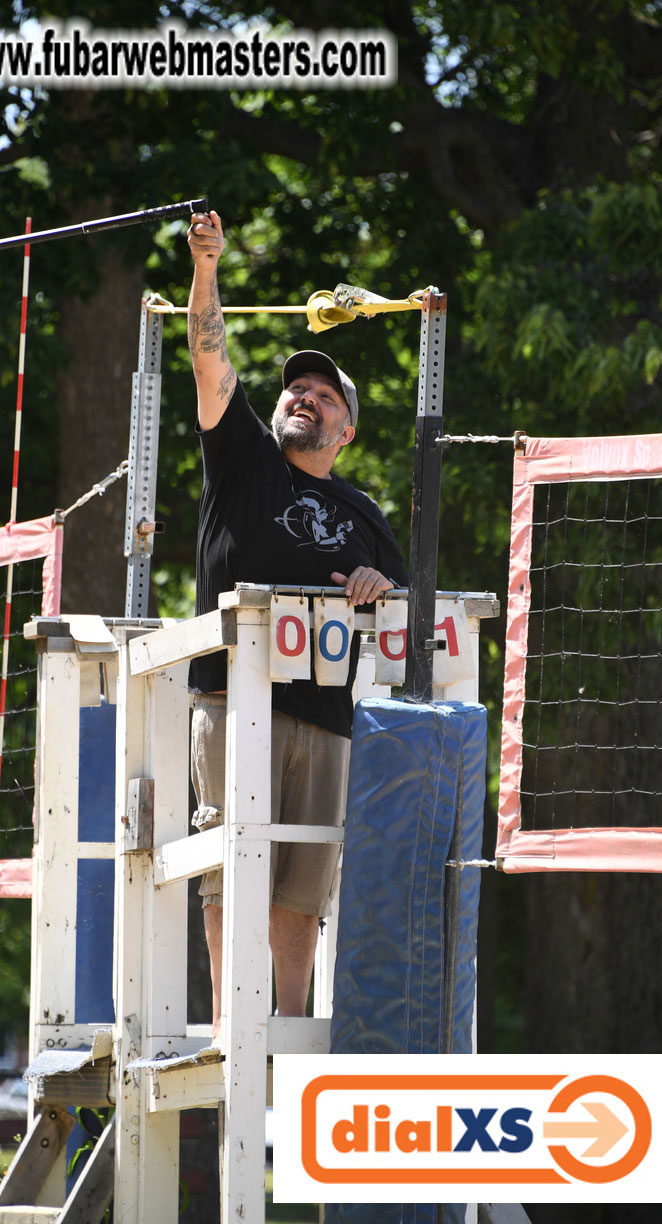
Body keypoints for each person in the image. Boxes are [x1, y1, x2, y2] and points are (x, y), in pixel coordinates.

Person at [186, 209, 408, 1039]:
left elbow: (406, 603)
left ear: (345, 432)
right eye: (295, 389)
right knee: (227, 870)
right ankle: (226, 1029)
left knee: (301, 889)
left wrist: (379, 580)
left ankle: (283, 1029)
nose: (302, 399)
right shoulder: (242, 460)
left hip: (325, 715)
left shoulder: (364, 511)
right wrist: (207, 267)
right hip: (230, 699)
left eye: (322, 397)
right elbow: (211, 361)